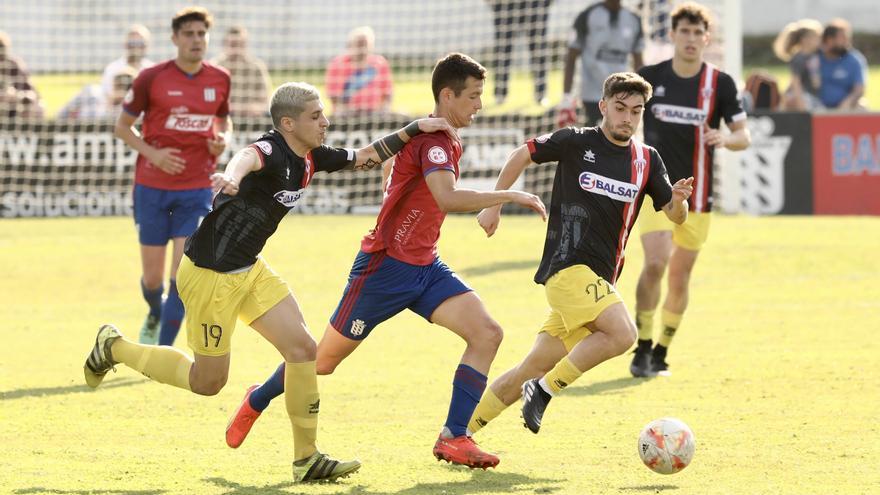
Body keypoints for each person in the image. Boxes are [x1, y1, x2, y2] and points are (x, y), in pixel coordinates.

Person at [84, 80, 458, 482]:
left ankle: (307, 459)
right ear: (288, 123)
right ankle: (114, 347)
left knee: (302, 350)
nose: (325, 122)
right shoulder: (271, 149)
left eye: (323, 114)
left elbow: (365, 157)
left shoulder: (314, 155)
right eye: (315, 117)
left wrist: (415, 128)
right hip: (211, 274)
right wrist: (230, 175)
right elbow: (247, 156)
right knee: (208, 382)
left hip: (250, 269)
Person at [225, 53, 547, 469]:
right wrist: (508, 196)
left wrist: (394, 188)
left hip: (426, 268)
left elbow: (396, 168)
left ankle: (454, 437)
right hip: (384, 269)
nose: (479, 105)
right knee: (321, 361)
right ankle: (257, 397)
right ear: (447, 96)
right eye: (473, 96)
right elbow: (446, 197)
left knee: (487, 333)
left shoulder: (444, 135)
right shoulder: (432, 140)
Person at [467, 72, 693, 435]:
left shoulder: (647, 160)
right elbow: (521, 154)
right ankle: (543, 392)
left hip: (596, 284)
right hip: (566, 270)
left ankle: (458, 434)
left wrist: (679, 202)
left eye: (636, 111)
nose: (628, 118)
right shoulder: (575, 140)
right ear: (603, 106)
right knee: (623, 335)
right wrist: (493, 205)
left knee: (529, 367)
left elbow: (675, 216)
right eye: (620, 109)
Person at [631, 2, 750, 377]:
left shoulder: (721, 84)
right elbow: (621, 115)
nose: (691, 39)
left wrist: (726, 138)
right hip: (655, 191)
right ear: (672, 35)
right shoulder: (649, 78)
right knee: (654, 263)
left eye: (698, 33)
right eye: (684, 31)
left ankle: (662, 349)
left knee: (680, 276)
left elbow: (743, 136)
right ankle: (642, 345)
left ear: (707, 39)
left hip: (699, 196)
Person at [114, 7, 231, 347]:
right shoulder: (151, 78)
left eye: (201, 34)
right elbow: (122, 127)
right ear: (175, 39)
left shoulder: (220, 78)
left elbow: (224, 121)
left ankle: (161, 351)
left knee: (182, 276)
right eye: (189, 34)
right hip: (151, 189)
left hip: (196, 189)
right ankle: (154, 310)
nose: (197, 40)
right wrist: (153, 154)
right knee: (153, 280)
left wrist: (222, 139)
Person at [558, 0, 644, 128]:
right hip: (592, 94)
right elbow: (571, 56)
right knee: (592, 140)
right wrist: (566, 97)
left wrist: (640, 91)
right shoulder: (587, 15)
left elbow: (638, 60)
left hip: (622, 95)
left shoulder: (634, 19)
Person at [486, 0, 553, 106]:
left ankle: (541, 95)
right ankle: (500, 95)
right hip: (506, 6)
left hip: (534, 5)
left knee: (539, 50)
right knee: (502, 53)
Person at [324, 26, 393, 115]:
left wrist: (384, 110)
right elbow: (333, 97)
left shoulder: (380, 63)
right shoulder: (337, 64)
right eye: (359, 44)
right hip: (346, 114)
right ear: (349, 45)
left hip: (374, 113)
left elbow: (387, 94)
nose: (362, 49)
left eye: (365, 44)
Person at [212, 26, 273, 117]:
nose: (237, 50)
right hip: (223, 118)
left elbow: (265, 101)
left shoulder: (257, 67)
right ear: (225, 45)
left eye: (240, 44)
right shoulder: (214, 67)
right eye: (233, 44)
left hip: (251, 120)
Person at [773, 19, 822, 111]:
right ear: (805, 40)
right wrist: (801, 104)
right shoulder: (798, 58)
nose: (819, 41)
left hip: (812, 95)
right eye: (816, 37)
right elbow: (796, 82)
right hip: (801, 96)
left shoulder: (815, 55)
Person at [57, 66, 137, 120]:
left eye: (127, 85)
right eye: (119, 83)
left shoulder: (134, 108)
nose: (121, 88)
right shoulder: (91, 92)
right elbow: (63, 113)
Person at [817, 24, 866, 111]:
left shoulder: (854, 60)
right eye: (842, 38)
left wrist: (847, 102)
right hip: (817, 107)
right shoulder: (815, 58)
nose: (846, 41)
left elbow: (859, 89)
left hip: (847, 107)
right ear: (829, 39)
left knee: (863, 109)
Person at [100, 25, 154, 100]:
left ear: (147, 45)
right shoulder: (112, 68)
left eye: (140, 43)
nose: (136, 47)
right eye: (132, 43)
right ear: (125, 44)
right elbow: (106, 97)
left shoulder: (152, 69)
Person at [0, 30, 44, 120]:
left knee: (38, 107)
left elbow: (33, 95)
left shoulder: (13, 65)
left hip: (12, 113)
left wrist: (15, 96)